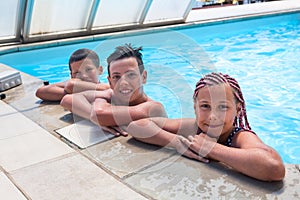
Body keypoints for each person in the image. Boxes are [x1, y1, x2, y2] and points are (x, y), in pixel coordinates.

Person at [127, 72, 285, 181]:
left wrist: (211, 148)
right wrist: (176, 142)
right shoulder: (193, 127)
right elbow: (136, 126)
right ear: (195, 107)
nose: (212, 116)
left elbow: (274, 168)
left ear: (237, 111)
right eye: (205, 106)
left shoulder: (240, 136)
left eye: (223, 107)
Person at [60, 44, 167, 136]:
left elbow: (99, 113)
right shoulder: (112, 94)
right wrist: (98, 120)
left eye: (131, 75)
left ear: (143, 77)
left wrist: (100, 111)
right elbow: (67, 100)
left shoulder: (153, 108)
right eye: (116, 77)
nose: (123, 82)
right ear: (110, 82)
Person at [35, 48, 109, 101]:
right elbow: (40, 92)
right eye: (77, 73)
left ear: (100, 70)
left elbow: (71, 85)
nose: (84, 76)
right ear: (72, 75)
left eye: (88, 70)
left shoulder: (108, 86)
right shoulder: (105, 90)